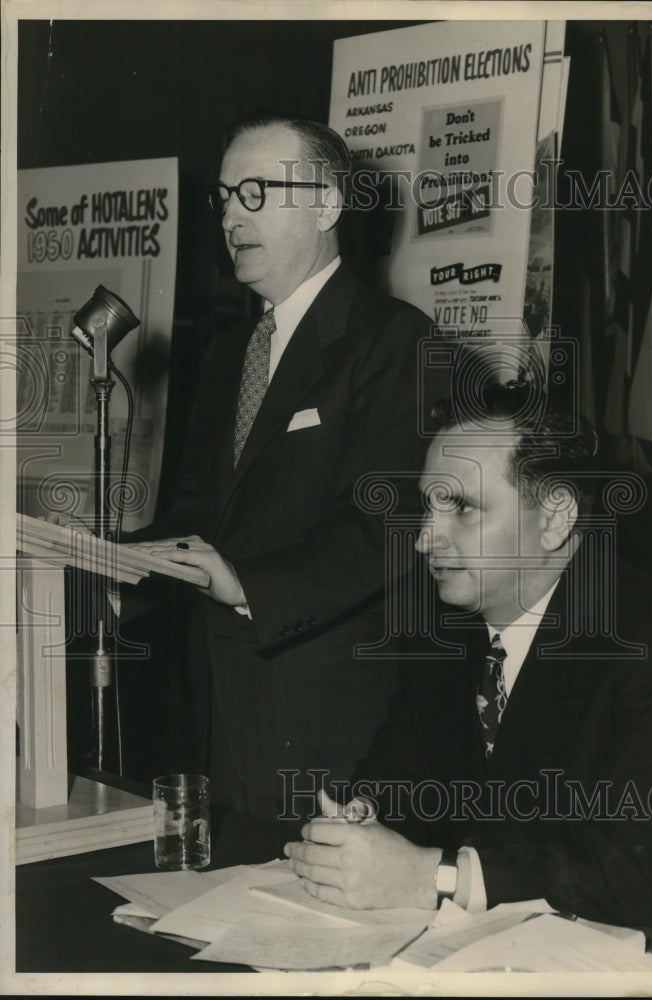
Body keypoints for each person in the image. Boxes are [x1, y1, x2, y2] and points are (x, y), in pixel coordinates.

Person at [284, 381, 652, 949]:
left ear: (555, 517)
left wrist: (429, 877)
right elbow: (401, 775)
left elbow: (633, 878)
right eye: (427, 504)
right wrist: (360, 819)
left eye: (460, 506)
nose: (423, 540)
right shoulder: (444, 627)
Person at [125, 112, 439, 820]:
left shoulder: (395, 341)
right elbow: (199, 509)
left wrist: (246, 585)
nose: (233, 214)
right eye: (226, 197)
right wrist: (121, 564)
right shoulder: (228, 352)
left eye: (256, 192)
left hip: (330, 719)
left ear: (328, 204)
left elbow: (388, 526)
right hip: (216, 713)